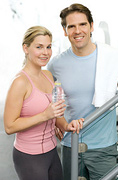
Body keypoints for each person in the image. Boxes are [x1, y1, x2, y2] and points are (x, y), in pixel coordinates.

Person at [47, 3, 118, 180]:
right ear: (65, 30)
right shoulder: (56, 64)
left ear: (91, 26)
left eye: (82, 24)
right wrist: (57, 121)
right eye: (71, 26)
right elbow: (50, 99)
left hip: (103, 146)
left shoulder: (113, 57)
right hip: (71, 143)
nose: (78, 31)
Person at [4, 25, 84, 180]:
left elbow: (55, 113)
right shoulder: (20, 82)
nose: (45, 52)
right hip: (29, 156)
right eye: (39, 47)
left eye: (48, 47)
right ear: (25, 48)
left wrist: (66, 125)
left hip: (52, 151)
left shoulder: (48, 75)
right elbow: (9, 126)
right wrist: (44, 115)